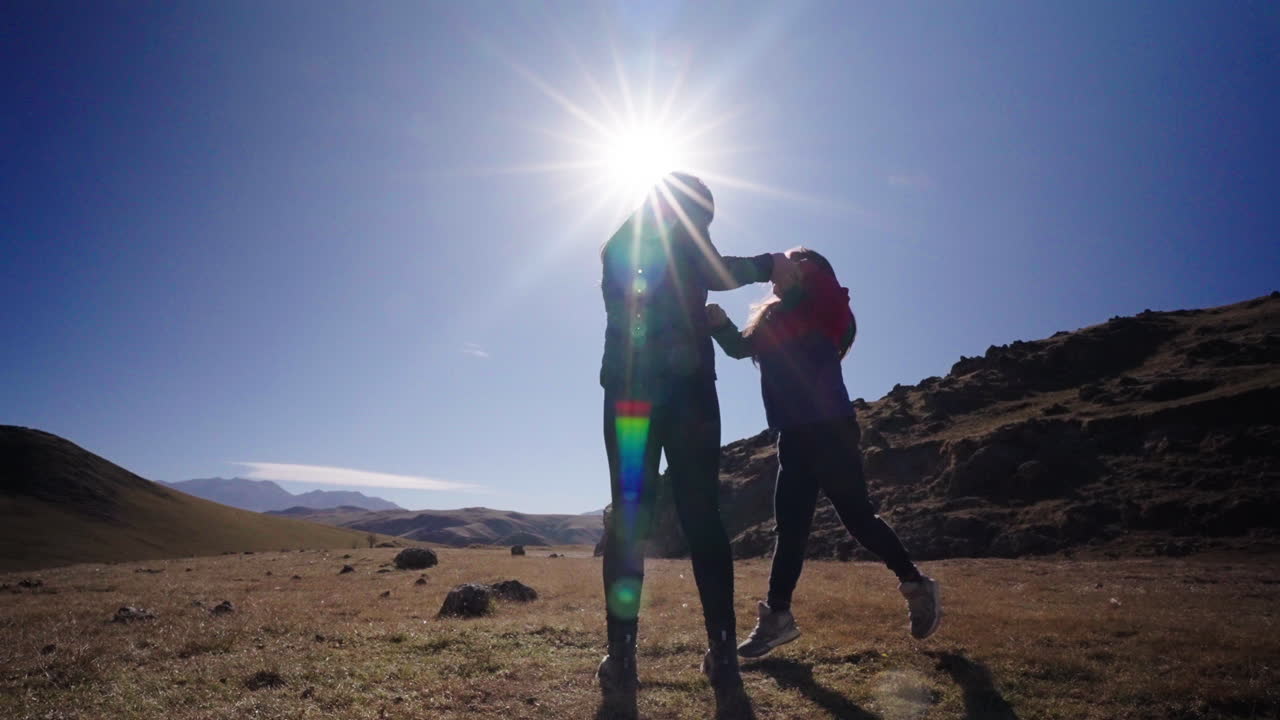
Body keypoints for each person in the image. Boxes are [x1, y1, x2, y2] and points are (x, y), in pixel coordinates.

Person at [597, 172, 796, 710]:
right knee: (702, 517)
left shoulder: (622, 243)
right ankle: (723, 658)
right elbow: (714, 267)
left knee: (631, 514)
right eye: (701, 217)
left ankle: (623, 659)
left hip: (631, 397)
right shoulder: (673, 247)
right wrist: (768, 264)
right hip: (688, 396)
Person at [705, 247, 941, 659]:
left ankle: (916, 585)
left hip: (830, 427)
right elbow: (742, 349)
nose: (781, 270)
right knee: (789, 529)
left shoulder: (827, 308)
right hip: (792, 435)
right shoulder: (774, 318)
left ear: (812, 273)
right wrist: (721, 325)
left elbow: (834, 299)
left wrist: (798, 266)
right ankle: (778, 617)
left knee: (858, 519)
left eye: (796, 264)